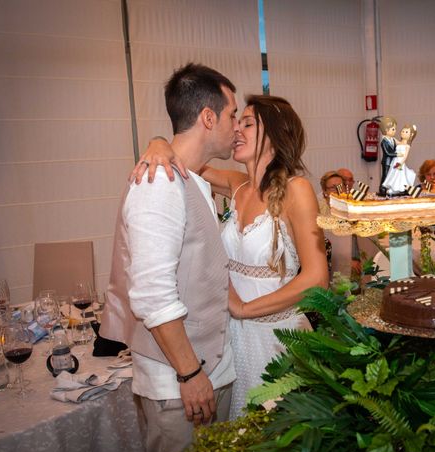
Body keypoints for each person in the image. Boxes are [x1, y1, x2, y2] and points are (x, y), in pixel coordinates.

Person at [133, 95, 329, 420]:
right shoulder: (238, 185)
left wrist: (243, 308)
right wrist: (157, 143)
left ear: (277, 135)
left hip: (276, 340)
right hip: (231, 342)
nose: (236, 129)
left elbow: (317, 279)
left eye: (248, 123)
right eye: (237, 121)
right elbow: (191, 158)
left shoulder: (298, 190)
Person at [100, 64, 237, 452]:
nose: (236, 126)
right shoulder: (158, 184)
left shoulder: (189, 177)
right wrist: (190, 372)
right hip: (180, 384)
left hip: (209, 369)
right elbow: (153, 297)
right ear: (208, 117)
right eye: (233, 114)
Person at [381, 124, 417, 196]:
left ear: (411, 135)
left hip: (400, 162)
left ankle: (400, 188)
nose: (403, 132)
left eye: (406, 132)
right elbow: (392, 139)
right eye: (403, 131)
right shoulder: (399, 142)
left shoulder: (407, 146)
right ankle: (393, 188)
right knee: (392, 174)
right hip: (395, 161)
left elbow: (405, 156)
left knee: (399, 175)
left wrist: (401, 163)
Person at [378, 116, 397, 196]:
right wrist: (397, 154)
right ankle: (382, 189)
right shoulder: (384, 141)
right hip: (387, 162)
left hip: (392, 162)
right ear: (386, 130)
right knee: (385, 176)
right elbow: (388, 153)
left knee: (392, 175)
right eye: (393, 129)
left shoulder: (393, 140)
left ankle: (391, 189)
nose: (395, 131)